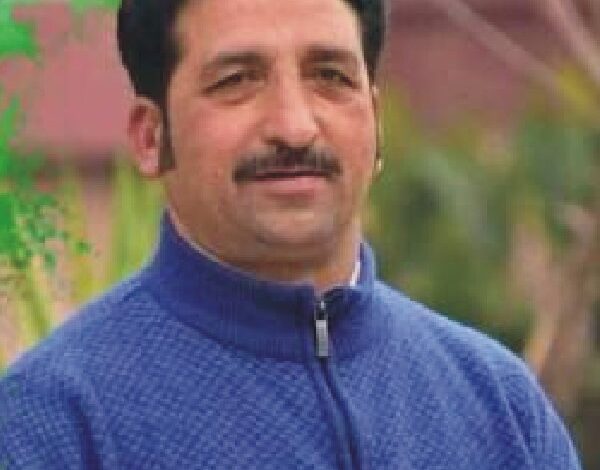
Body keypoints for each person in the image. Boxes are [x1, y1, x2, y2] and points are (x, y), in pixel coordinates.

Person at [0, 0, 582, 468]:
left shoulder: (499, 408)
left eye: (330, 77)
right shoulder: (54, 423)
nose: (295, 126)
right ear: (152, 137)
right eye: (237, 80)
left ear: (377, 123)